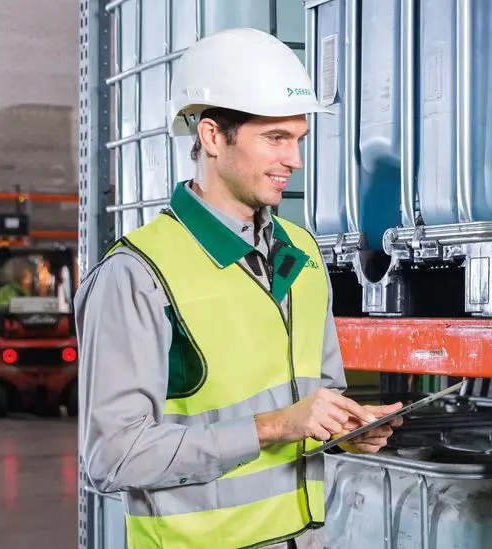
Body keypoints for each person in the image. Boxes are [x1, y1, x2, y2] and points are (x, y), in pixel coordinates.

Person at [75, 27, 403, 549]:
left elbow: (315, 397)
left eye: (299, 140)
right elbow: (112, 457)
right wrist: (273, 427)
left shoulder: (302, 252)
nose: (294, 160)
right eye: (275, 138)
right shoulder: (137, 274)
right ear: (211, 137)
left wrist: (344, 426)